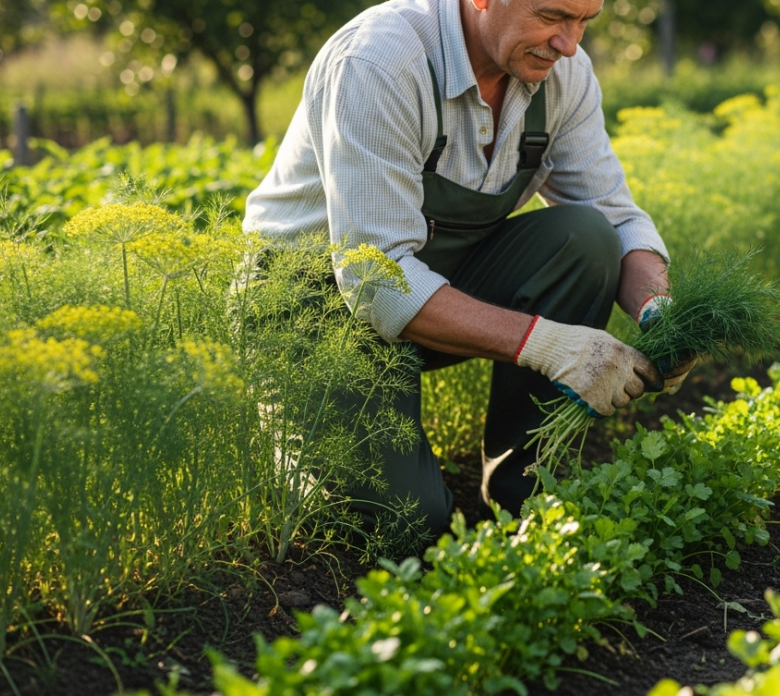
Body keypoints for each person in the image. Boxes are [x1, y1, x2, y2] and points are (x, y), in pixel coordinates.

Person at [242, 0, 693, 539]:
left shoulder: (561, 74)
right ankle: (303, 458)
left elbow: (615, 218)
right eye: (552, 17)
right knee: (408, 524)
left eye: (583, 21)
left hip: (437, 287)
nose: (570, 43)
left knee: (586, 240)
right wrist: (552, 346)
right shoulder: (381, 62)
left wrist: (659, 309)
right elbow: (377, 282)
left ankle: (530, 499)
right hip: (315, 315)